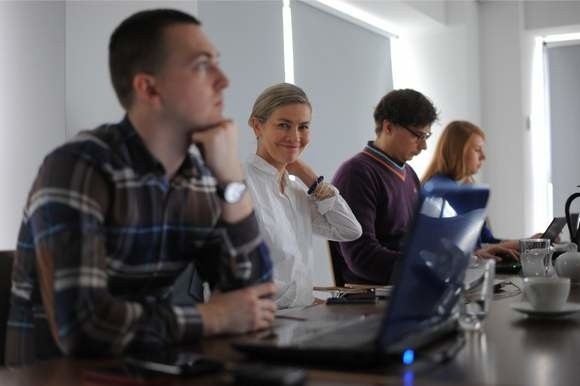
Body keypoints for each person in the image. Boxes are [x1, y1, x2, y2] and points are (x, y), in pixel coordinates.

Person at [5, 9, 276, 366]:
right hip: (58, 377)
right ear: (149, 87)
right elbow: (83, 327)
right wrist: (212, 317)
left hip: (151, 367)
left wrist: (232, 181)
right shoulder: (78, 167)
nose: (223, 80)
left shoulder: (201, 176)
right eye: (201, 65)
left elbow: (257, 301)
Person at [245, 83, 362, 308]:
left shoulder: (295, 191)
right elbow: (243, 277)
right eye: (283, 125)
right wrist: (309, 301)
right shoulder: (241, 184)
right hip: (258, 322)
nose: (295, 136)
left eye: (303, 127)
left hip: (297, 319)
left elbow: (349, 230)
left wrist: (309, 176)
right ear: (257, 126)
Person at [331, 89, 437, 285]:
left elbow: (417, 239)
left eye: (427, 136)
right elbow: (362, 257)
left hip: (405, 286)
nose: (423, 146)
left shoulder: (408, 173)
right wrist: (422, 269)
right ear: (388, 127)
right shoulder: (357, 173)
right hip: (374, 296)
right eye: (418, 136)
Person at [421, 120, 524, 260]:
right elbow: (457, 249)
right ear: (457, 152)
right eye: (477, 150)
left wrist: (528, 243)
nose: (483, 157)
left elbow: (487, 241)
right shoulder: (439, 192)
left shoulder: (465, 188)